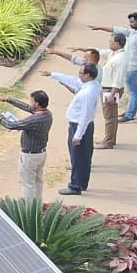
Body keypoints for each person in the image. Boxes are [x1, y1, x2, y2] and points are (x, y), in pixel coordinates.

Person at [40, 64, 100, 196]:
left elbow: (84, 115)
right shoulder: (92, 85)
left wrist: (78, 135)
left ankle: (75, 185)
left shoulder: (87, 93)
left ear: (88, 75)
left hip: (79, 126)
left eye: (81, 73)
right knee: (84, 156)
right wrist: (53, 75)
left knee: (77, 157)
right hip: (85, 125)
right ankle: (82, 182)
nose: (79, 75)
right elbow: (72, 80)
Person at [0, 90, 53, 200]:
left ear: (36, 103)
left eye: (31, 101)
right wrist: (9, 99)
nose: (30, 103)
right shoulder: (48, 114)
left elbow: (12, 125)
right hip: (41, 153)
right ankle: (37, 205)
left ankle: (28, 207)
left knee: (27, 183)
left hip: (30, 156)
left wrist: (0, 118)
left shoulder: (35, 119)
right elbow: (28, 108)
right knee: (38, 181)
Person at [89, 12, 137, 123]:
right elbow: (117, 29)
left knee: (133, 92)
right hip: (128, 66)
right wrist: (100, 28)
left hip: (133, 67)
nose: (130, 24)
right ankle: (129, 111)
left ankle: (130, 114)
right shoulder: (132, 32)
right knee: (130, 91)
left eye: (132, 22)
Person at [96, 33, 129, 150]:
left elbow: (118, 79)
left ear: (118, 44)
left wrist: (112, 94)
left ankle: (108, 141)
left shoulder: (120, 59)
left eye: (111, 42)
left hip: (111, 89)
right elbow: (101, 52)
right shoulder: (114, 54)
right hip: (109, 88)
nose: (109, 43)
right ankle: (110, 139)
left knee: (109, 117)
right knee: (112, 116)